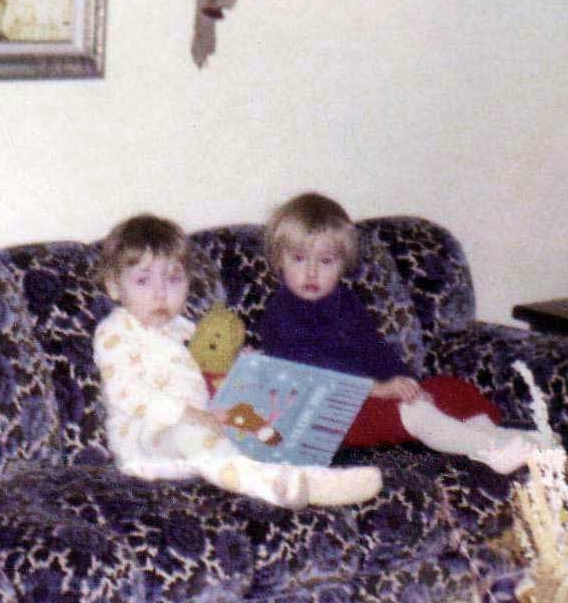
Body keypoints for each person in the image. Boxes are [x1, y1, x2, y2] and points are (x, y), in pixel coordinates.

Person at [93, 214, 382, 508]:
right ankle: (275, 487)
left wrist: (241, 368)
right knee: (192, 436)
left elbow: (212, 368)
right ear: (114, 287)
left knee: (255, 428)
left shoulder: (184, 330)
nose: (160, 294)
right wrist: (193, 416)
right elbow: (127, 392)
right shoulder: (116, 331)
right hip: (145, 444)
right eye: (143, 281)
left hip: (198, 434)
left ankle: (310, 478)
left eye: (173, 279)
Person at [257, 193, 540, 475]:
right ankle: (489, 450)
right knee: (415, 412)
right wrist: (378, 390)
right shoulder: (280, 314)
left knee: (453, 389)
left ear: (343, 264)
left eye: (325, 261)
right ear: (279, 259)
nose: (311, 272)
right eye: (299, 259)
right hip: (325, 415)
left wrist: (407, 382)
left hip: (370, 395)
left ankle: (499, 440)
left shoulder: (346, 301)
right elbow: (313, 373)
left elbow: (375, 350)